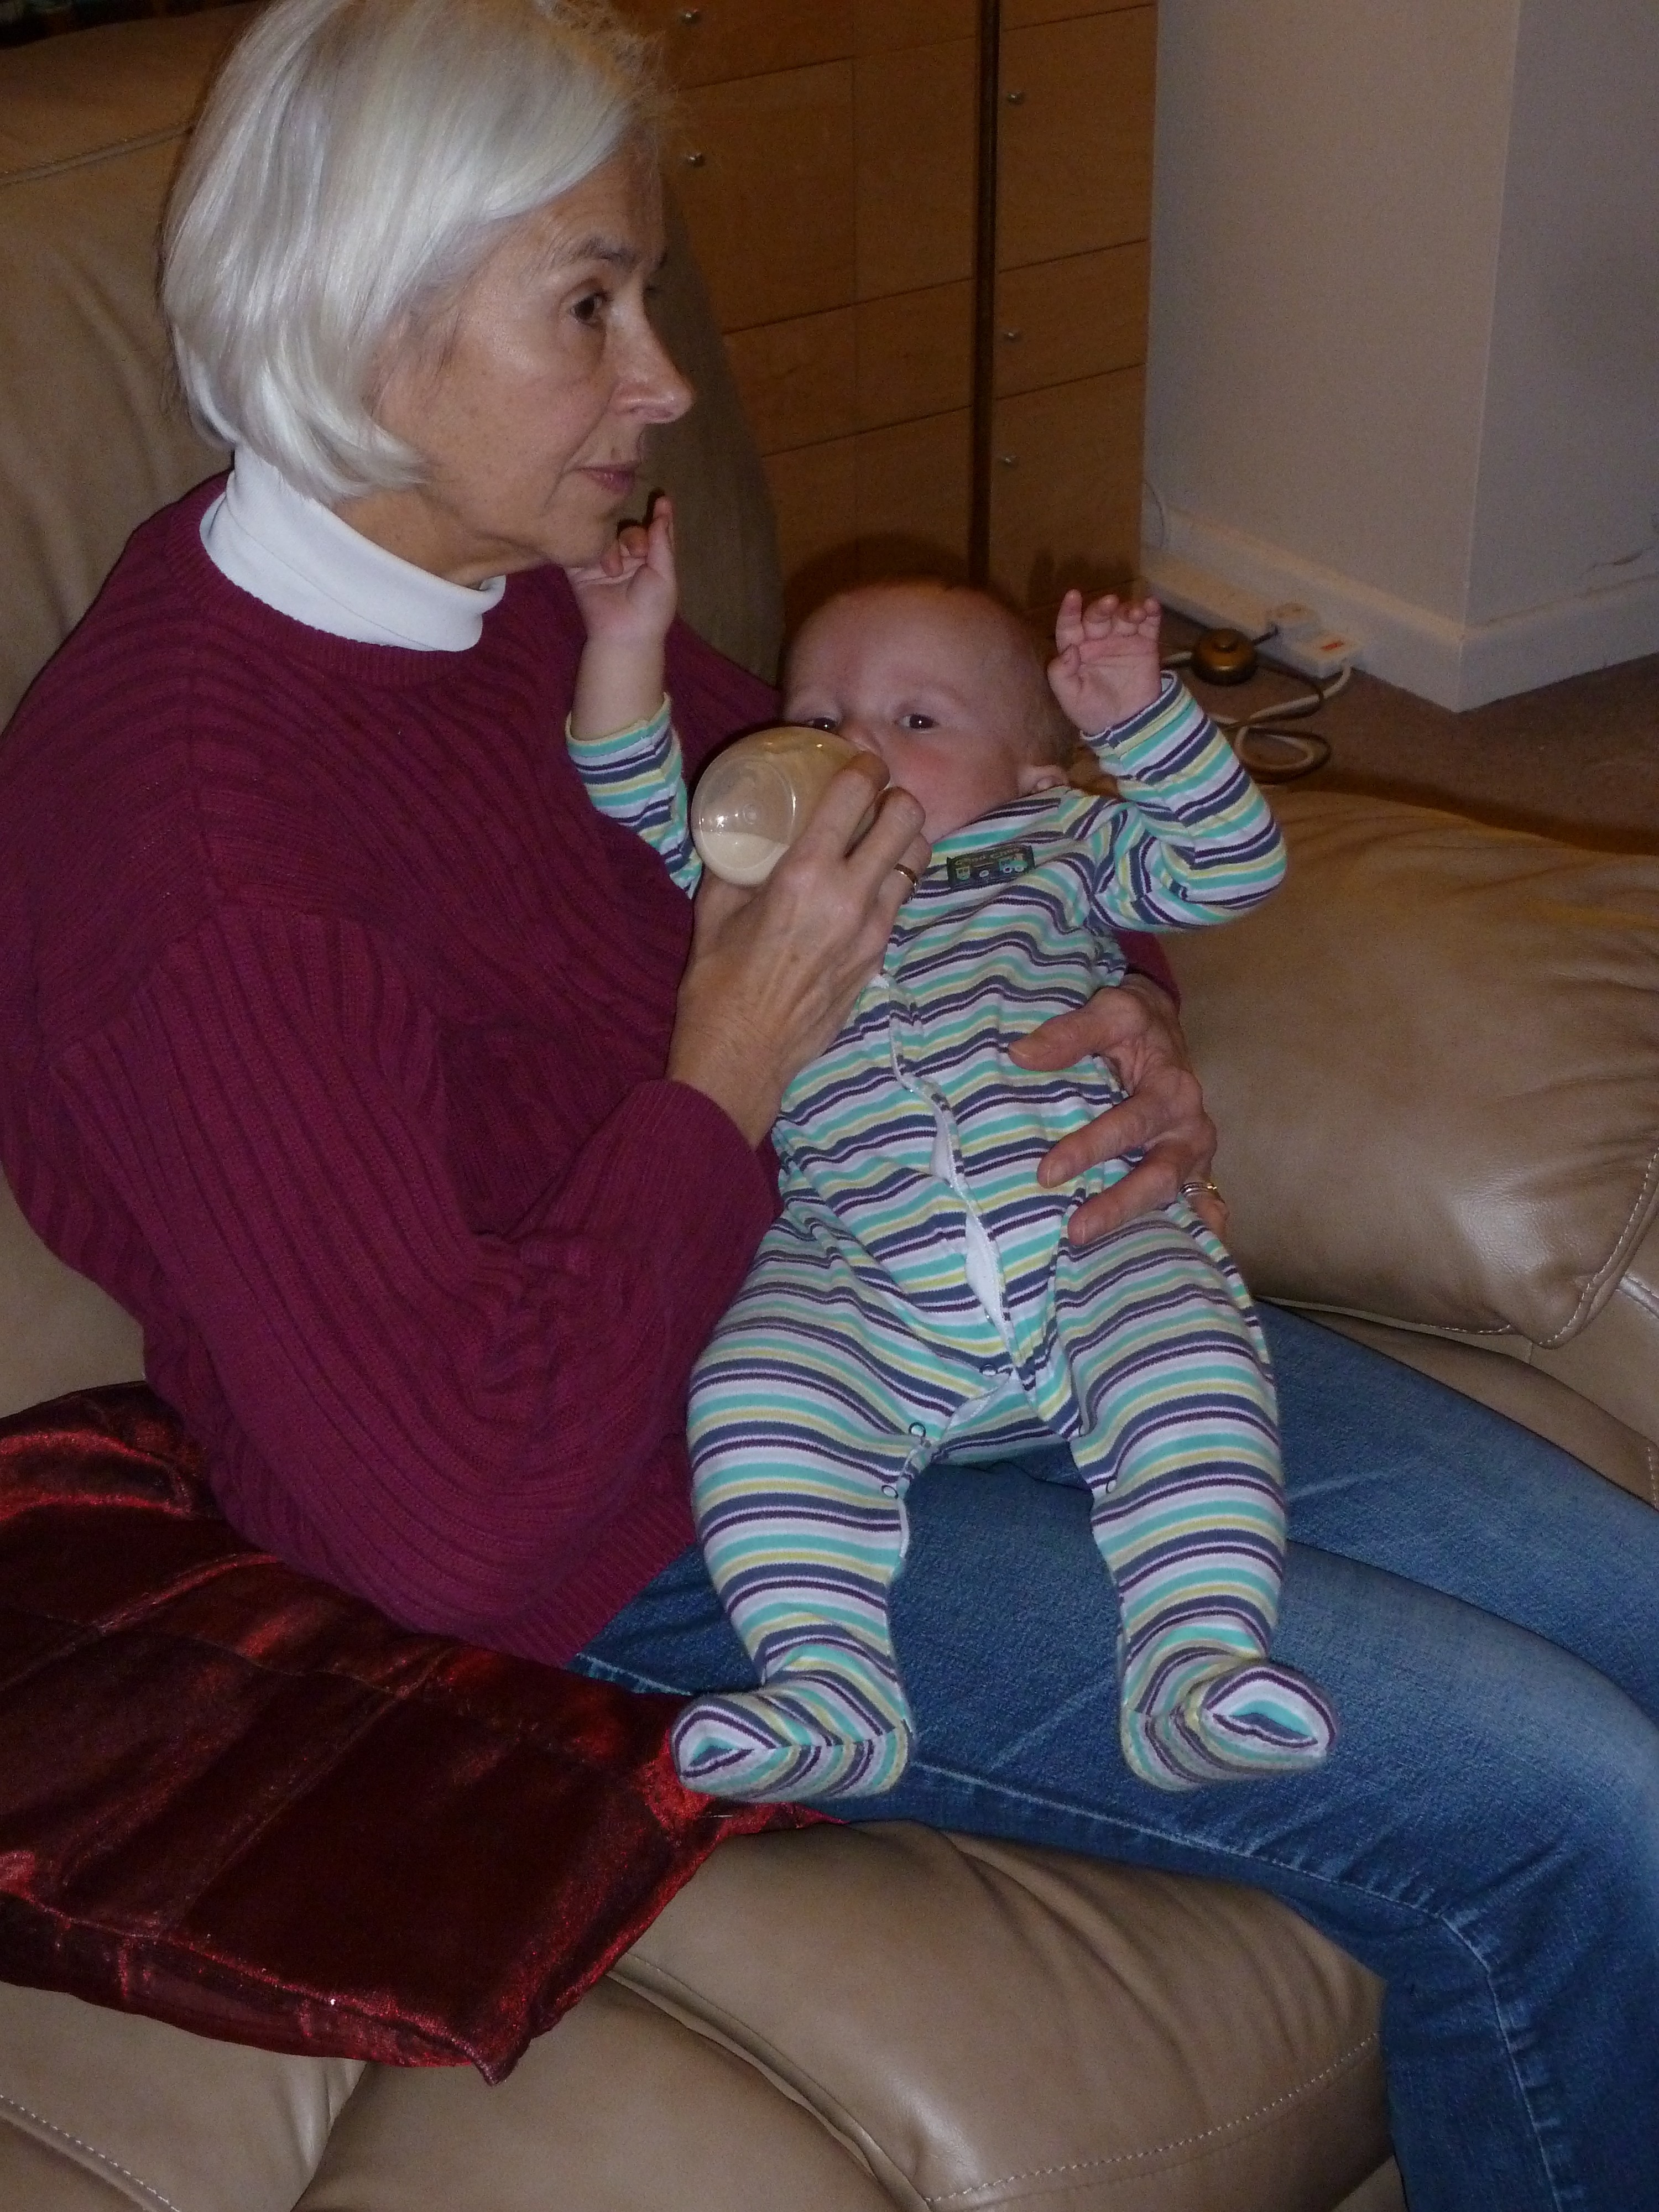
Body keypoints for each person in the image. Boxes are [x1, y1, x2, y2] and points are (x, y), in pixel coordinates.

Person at [0, 0, 1652, 2204]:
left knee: (1634, 1602)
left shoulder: (504, 585)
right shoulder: (199, 851)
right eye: (589, 305)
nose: (666, 379)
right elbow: (456, 1523)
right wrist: (732, 1063)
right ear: (368, 315)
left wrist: (1114, 1013)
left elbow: (931, 820)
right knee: (1559, 1808)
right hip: (664, 1501)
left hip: (933, 1263)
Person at [566, 517, 1333, 1801]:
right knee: (754, 1394)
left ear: (1033, 772)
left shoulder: (1060, 842)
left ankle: (1194, 1663)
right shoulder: (759, 879)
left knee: (1189, 1359)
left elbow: (1231, 865)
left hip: (1084, 1234)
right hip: (858, 1269)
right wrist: (624, 638)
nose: (855, 749)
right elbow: (629, 790)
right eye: (818, 716)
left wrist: (1141, 721)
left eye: (916, 720)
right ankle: (827, 1687)